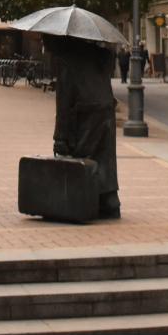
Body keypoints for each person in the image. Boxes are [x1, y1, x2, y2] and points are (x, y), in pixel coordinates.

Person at [46, 34, 120, 218]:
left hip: (85, 114)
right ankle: (110, 201)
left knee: (82, 158)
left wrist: (60, 138)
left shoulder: (66, 61)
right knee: (105, 158)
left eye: (45, 38)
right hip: (106, 109)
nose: (44, 43)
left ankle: (83, 202)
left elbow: (63, 104)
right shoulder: (97, 54)